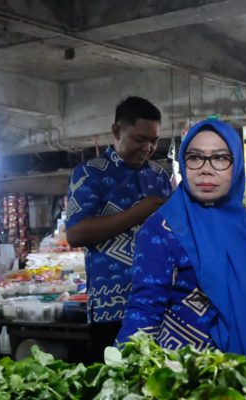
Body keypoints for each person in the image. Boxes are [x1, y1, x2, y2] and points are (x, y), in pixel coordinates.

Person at [116, 118, 246, 369]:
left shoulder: (242, 225)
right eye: (195, 157)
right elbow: (145, 307)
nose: (206, 169)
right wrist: (124, 370)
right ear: (183, 163)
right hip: (189, 381)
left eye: (221, 158)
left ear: (237, 165)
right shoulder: (162, 228)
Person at [66, 96, 173, 361]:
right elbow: (76, 233)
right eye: (139, 139)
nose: (147, 148)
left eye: (154, 140)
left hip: (160, 304)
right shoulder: (91, 173)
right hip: (111, 310)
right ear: (116, 131)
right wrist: (141, 211)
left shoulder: (160, 175)